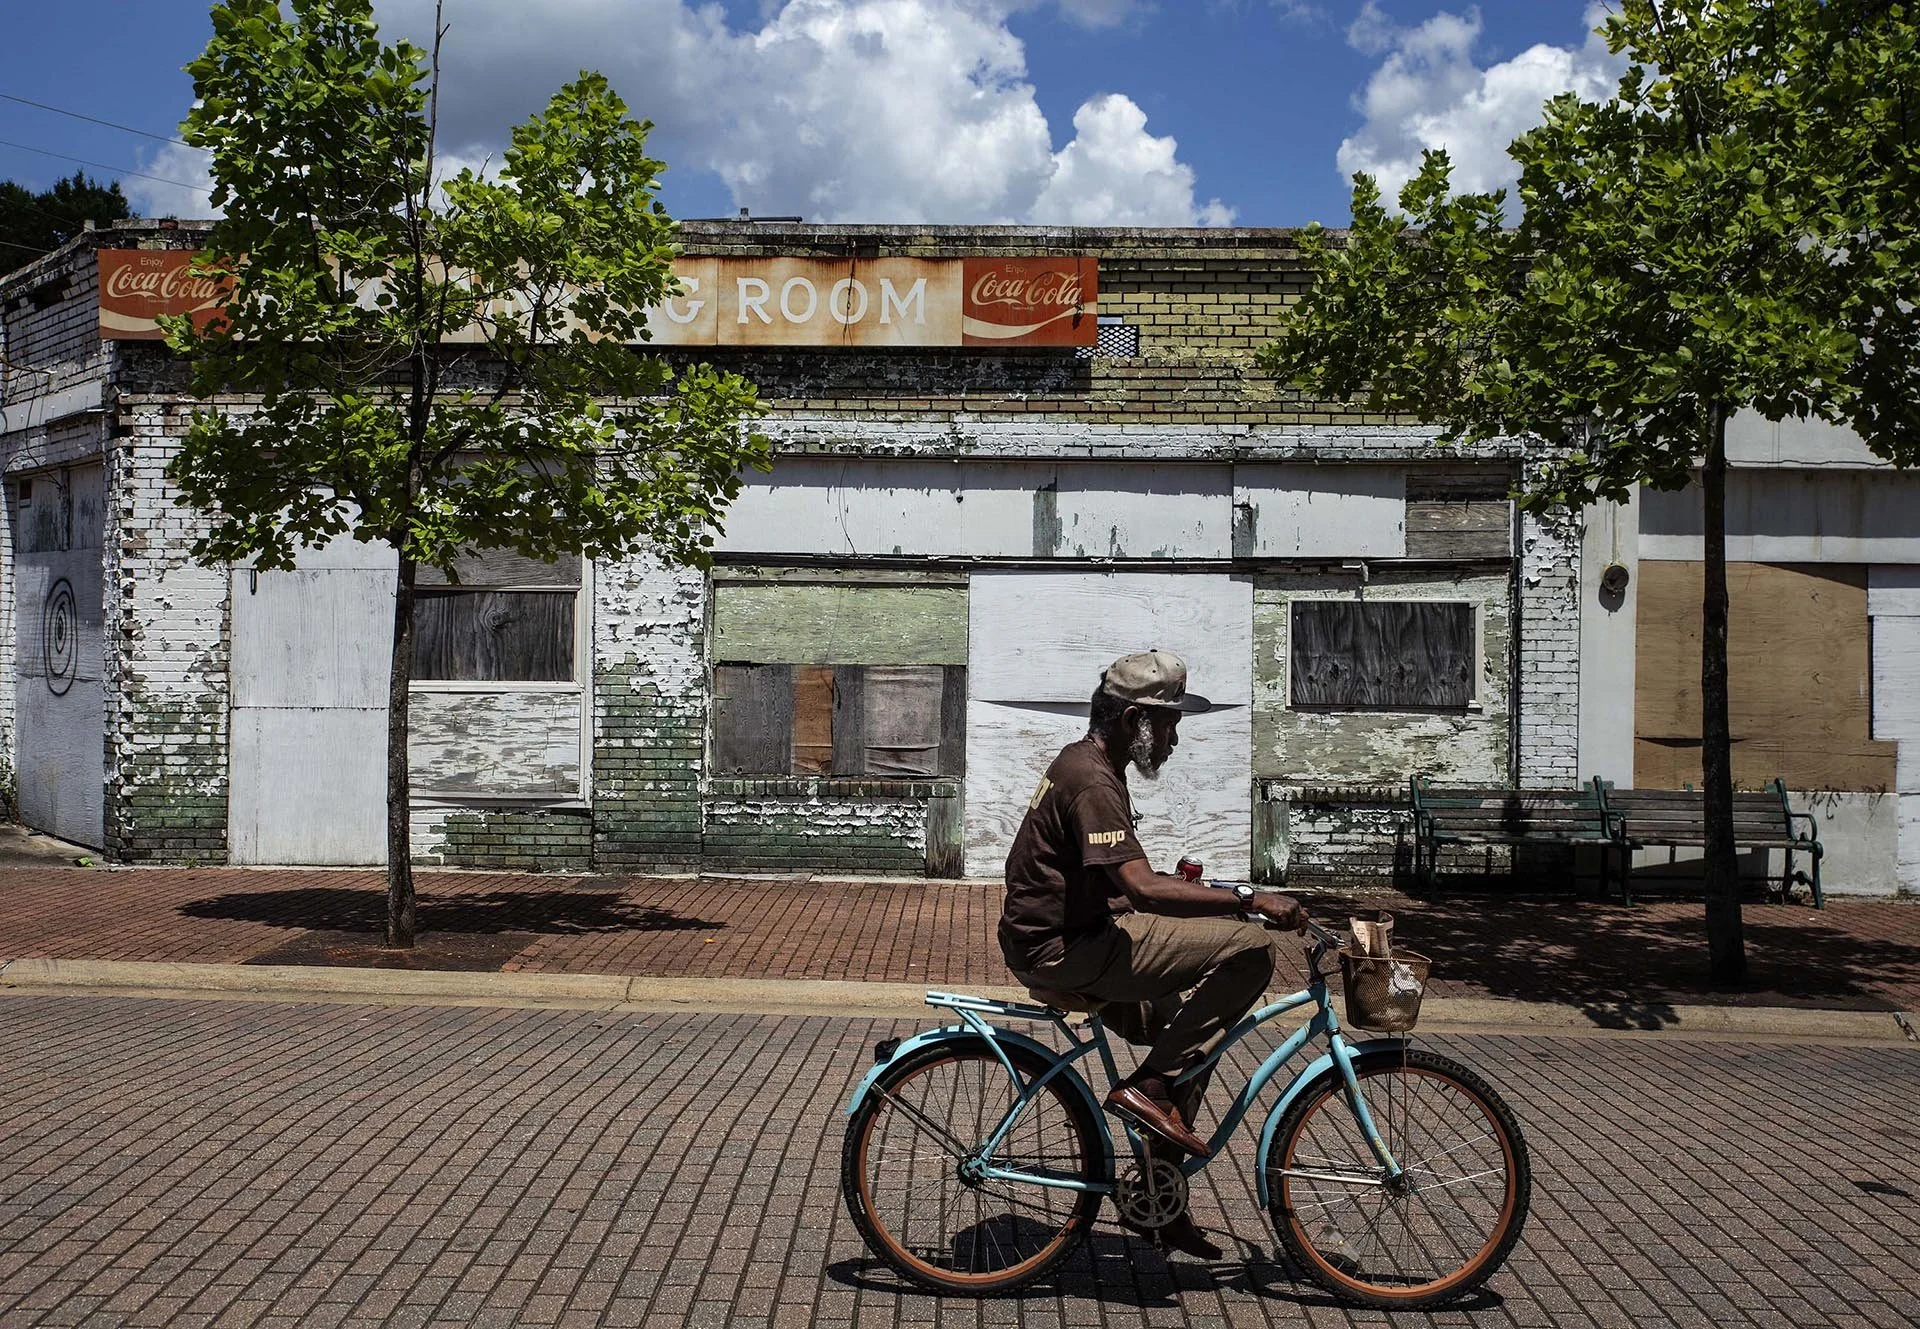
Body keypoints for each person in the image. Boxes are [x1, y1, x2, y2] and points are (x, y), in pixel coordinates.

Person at [999, 649, 1305, 1260]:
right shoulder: (1093, 782)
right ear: (1136, 719)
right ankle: (1153, 1089)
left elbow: (1115, 877)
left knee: (1187, 1044)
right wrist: (1246, 898)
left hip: (1060, 939)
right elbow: (1139, 888)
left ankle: (1160, 1203)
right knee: (1248, 948)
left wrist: (1191, 889)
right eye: (1169, 724)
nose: (1172, 739)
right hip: (1067, 949)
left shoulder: (1085, 765)